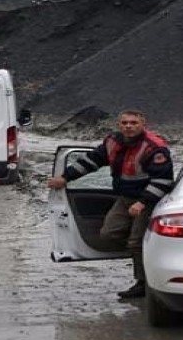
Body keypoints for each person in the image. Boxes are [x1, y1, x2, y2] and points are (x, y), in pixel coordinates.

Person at [48, 109, 175, 299]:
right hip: (125, 198)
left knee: (136, 242)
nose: (128, 126)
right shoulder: (112, 141)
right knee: (108, 234)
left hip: (149, 200)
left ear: (143, 124)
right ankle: (144, 253)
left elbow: (163, 181)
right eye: (124, 123)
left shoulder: (154, 147)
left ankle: (143, 283)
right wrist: (65, 177)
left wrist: (142, 202)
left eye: (133, 123)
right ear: (118, 125)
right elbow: (91, 161)